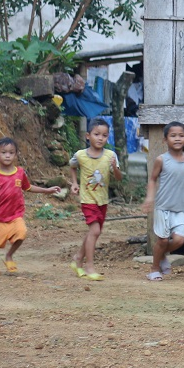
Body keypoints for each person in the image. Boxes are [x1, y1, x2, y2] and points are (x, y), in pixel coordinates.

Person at [0, 137, 63, 276]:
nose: (7, 155)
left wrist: (46, 190)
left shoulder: (19, 172)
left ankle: (9, 256)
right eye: (3, 152)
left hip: (15, 215)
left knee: (21, 232)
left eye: (11, 152)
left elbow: (28, 187)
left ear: (16, 154)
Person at [67, 117, 122, 281]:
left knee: (94, 232)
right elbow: (72, 166)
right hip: (87, 200)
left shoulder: (110, 156)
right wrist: (74, 183)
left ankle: (78, 258)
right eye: (96, 134)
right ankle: (89, 266)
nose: (100, 138)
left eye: (104, 135)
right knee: (95, 231)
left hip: (102, 201)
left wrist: (114, 167)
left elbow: (118, 178)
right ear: (88, 136)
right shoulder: (80, 155)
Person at [141, 121, 184, 281]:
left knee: (179, 240)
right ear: (165, 140)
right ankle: (154, 269)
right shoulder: (161, 160)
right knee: (163, 240)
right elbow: (153, 179)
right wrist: (150, 198)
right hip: (163, 206)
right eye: (173, 136)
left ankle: (162, 254)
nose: (177, 138)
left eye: (181, 135)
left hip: (180, 207)